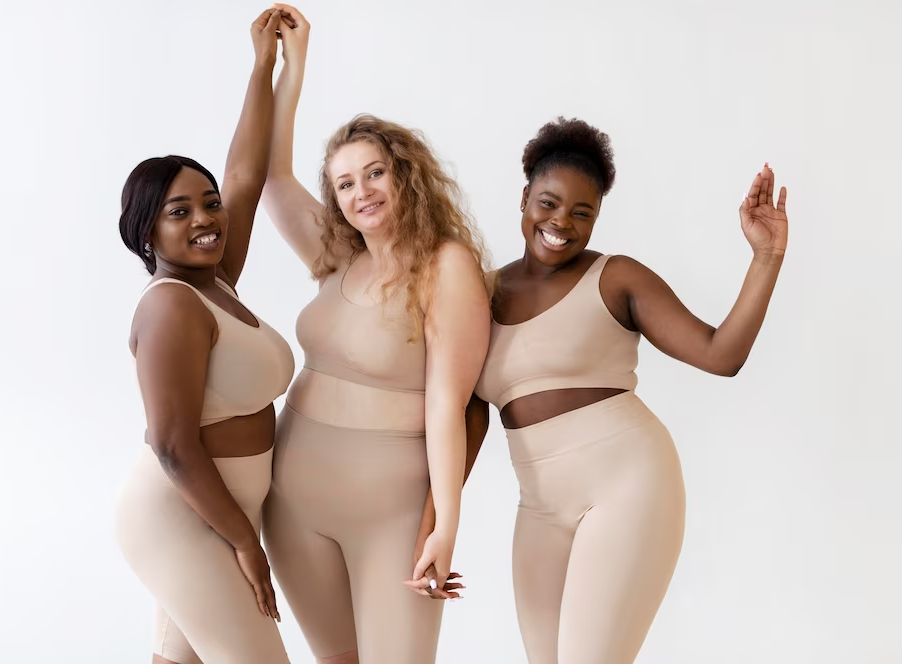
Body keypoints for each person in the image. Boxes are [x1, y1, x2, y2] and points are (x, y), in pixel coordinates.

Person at [470, 117, 788, 664]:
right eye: (548, 203)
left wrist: (766, 257)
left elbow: (721, 355)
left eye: (582, 212)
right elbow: (463, 415)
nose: (560, 223)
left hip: (628, 484)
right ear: (524, 197)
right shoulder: (480, 293)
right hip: (540, 506)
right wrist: (432, 523)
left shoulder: (615, 278)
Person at [258, 5, 492, 663]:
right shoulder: (337, 252)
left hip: (389, 508)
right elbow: (274, 180)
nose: (361, 191)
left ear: (403, 173)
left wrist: (446, 523)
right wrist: (292, 66)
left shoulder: (446, 266)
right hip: (294, 496)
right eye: (344, 182)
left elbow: (450, 405)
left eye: (374, 173)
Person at [112, 9, 295, 664]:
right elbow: (171, 443)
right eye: (179, 211)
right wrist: (246, 541)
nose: (206, 218)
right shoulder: (172, 308)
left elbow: (244, 176)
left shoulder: (214, 285)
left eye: (208, 203)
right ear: (146, 233)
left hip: (215, 514)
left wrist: (262, 65)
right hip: (182, 518)